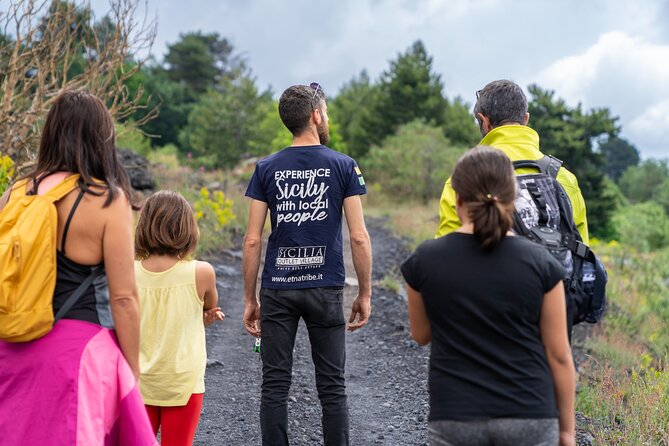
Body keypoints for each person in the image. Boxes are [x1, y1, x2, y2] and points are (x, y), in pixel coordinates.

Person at [0, 90, 156, 445]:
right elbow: (124, 298)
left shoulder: (14, 194)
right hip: (76, 353)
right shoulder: (106, 199)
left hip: (10, 347)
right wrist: (131, 372)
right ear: (101, 137)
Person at [402, 146, 576, 446]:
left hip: (455, 417)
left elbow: (421, 334)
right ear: (513, 199)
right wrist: (567, 432)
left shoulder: (425, 260)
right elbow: (559, 356)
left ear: (457, 199)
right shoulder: (542, 263)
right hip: (530, 415)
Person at [242, 83, 372, 446]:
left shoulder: (266, 167)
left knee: (275, 384)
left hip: (278, 288)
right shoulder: (344, 166)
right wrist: (364, 292)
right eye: (325, 111)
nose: (326, 116)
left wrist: (250, 298)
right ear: (315, 115)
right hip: (325, 286)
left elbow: (252, 239)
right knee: (332, 385)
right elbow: (359, 237)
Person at [435, 79, 589, 245]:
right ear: (526, 119)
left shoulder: (464, 179)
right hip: (557, 270)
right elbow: (582, 251)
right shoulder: (564, 178)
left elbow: (447, 253)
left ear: (484, 122)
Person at [134, 190, 224, 446]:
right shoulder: (202, 272)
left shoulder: (127, 272)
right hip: (184, 382)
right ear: (187, 228)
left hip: (138, 381)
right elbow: (210, 305)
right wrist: (206, 316)